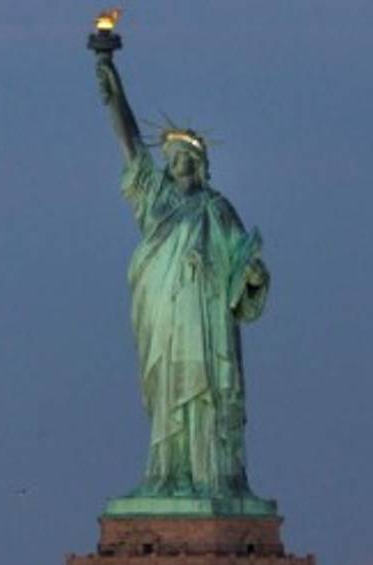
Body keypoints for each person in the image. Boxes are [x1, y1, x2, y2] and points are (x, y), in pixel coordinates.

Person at [96, 58, 270, 498]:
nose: (177, 163)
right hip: (164, 312)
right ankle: (168, 475)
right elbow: (131, 144)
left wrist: (251, 274)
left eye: (186, 157)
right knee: (168, 390)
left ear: (200, 163)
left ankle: (212, 477)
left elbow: (243, 264)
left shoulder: (217, 208)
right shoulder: (152, 197)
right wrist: (113, 88)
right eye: (172, 157)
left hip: (206, 317)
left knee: (206, 391)